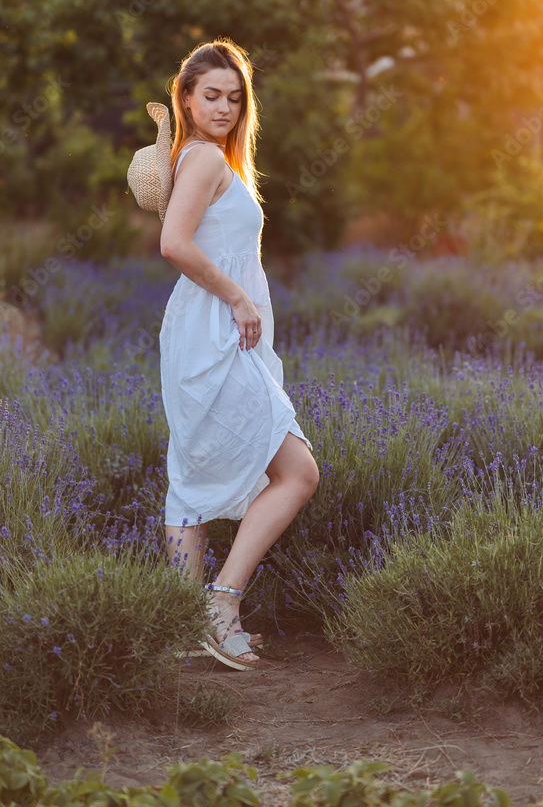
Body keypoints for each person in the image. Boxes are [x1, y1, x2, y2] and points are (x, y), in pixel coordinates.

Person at [159, 38, 320, 669]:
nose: (224, 107)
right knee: (299, 472)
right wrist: (237, 298)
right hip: (215, 331)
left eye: (234, 97)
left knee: (191, 476)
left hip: (206, 330)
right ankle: (220, 606)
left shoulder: (204, 158)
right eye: (210, 96)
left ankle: (179, 625)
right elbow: (174, 244)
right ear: (187, 99)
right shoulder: (202, 161)